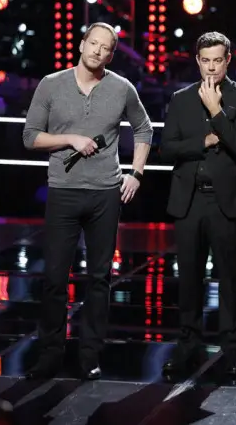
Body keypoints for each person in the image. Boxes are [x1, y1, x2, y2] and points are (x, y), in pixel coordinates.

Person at [22, 22, 153, 380]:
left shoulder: (121, 88)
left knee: (99, 278)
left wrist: (136, 173)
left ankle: (90, 356)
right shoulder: (51, 84)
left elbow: (144, 129)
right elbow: (30, 137)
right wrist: (70, 139)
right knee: (53, 278)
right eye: (92, 43)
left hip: (105, 194)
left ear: (111, 54)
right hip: (63, 191)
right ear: (81, 44)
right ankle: (49, 354)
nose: (97, 51)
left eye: (105, 47)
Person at [159, 31, 236, 376]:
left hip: (227, 203)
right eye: (205, 60)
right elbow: (168, 148)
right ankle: (188, 345)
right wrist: (203, 141)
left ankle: (231, 351)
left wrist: (216, 111)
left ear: (228, 60)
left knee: (230, 279)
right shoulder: (180, 98)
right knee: (188, 278)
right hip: (189, 200)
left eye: (217, 60)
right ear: (197, 61)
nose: (211, 67)